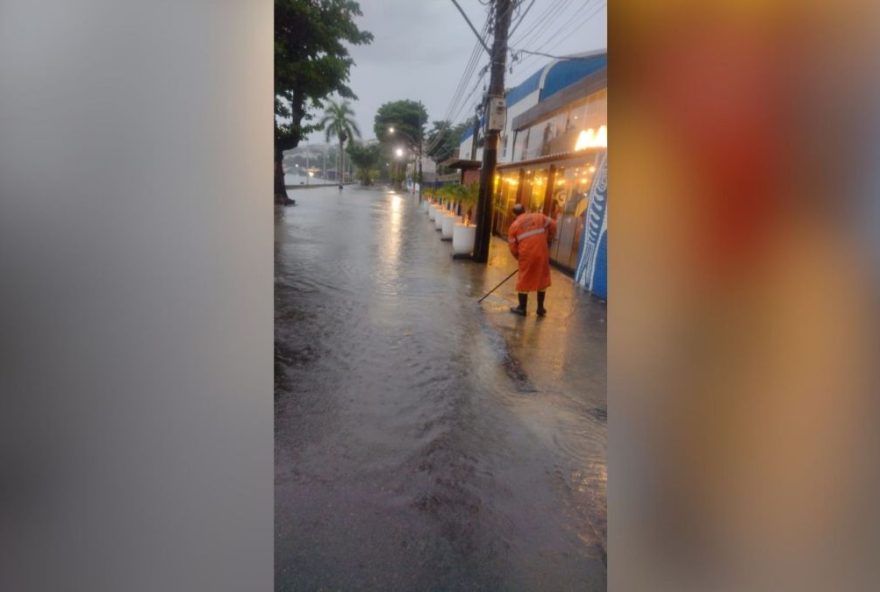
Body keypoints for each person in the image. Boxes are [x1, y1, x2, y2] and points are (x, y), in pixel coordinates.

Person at [507, 203, 557, 316]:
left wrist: (518, 258)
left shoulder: (514, 226)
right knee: (542, 278)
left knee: (524, 279)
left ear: (514, 214)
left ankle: (522, 308)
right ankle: (540, 308)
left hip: (526, 255)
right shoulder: (539, 216)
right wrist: (549, 239)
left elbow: (512, 246)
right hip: (542, 252)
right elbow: (553, 224)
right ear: (525, 210)